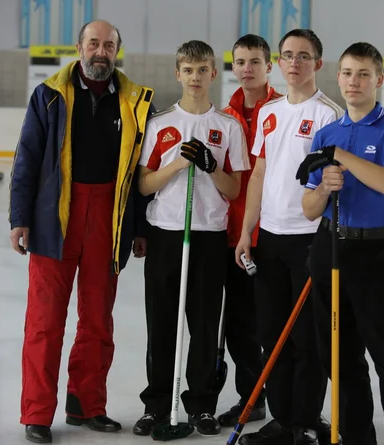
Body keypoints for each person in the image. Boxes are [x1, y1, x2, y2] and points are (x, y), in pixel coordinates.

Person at [9, 20, 154, 444]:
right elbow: (27, 158)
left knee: (97, 320)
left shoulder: (133, 101)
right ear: (79, 47)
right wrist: (20, 217)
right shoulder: (49, 96)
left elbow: (138, 171)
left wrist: (139, 226)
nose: (100, 52)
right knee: (44, 321)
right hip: (56, 218)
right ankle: (36, 412)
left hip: (108, 219)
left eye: (109, 45)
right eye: (94, 43)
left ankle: (86, 404)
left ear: (117, 51)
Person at [299, 42, 384, 445]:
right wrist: (324, 190)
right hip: (329, 248)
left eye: (364, 74)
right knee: (340, 361)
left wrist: (341, 158)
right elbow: (308, 207)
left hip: (374, 255)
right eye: (348, 73)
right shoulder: (326, 132)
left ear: (379, 80)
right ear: (338, 77)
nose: (354, 81)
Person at [133, 40, 249, 437]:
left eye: (203, 70)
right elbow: (145, 185)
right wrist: (178, 164)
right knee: (161, 325)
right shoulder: (160, 124)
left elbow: (233, 190)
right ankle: (156, 406)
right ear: (177, 74)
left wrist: (211, 166)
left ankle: (200, 405)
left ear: (213, 74)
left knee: (202, 326)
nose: (195, 77)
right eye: (188, 70)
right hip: (167, 235)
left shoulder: (228, 127)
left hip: (208, 236)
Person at [235, 29, 343, 445]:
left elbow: (332, 183)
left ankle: (305, 422)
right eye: (287, 56)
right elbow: (260, 173)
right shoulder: (269, 112)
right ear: (278, 64)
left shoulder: (327, 115)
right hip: (270, 237)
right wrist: (247, 230)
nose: (294, 63)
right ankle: (281, 420)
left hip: (309, 239)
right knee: (271, 334)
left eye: (304, 56)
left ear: (318, 63)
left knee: (307, 338)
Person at [216, 33, 282, 428]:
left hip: (274, 235)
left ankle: (289, 404)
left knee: (275, 324)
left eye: (254, 61)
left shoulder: (284, 111)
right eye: (240, 62)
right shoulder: (225, 117)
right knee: (240, 326)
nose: (246, 69)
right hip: (234, 237)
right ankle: (251, 397)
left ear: (268, 66)